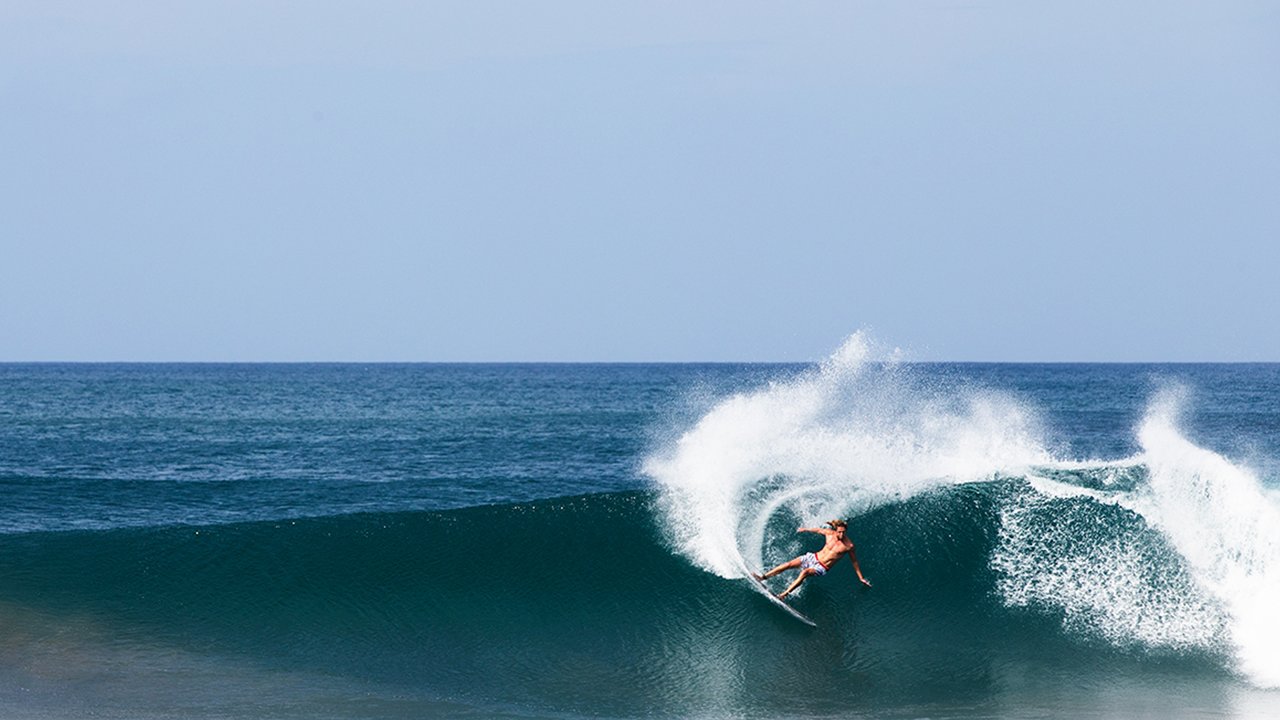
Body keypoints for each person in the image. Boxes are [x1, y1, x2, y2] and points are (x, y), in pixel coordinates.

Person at [754, 519, 872, 599]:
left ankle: (783, 595)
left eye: (844, 532)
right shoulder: (829, 534)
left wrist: (860, 578)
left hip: (822, 567)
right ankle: (762, 577)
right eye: (840, 532)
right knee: (788, 564)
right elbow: (818, 530)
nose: (841, 535)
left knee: (805, 572)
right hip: (813, 557)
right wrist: (805, 529)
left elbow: (854, 561)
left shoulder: (849, 546)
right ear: (836, 530)